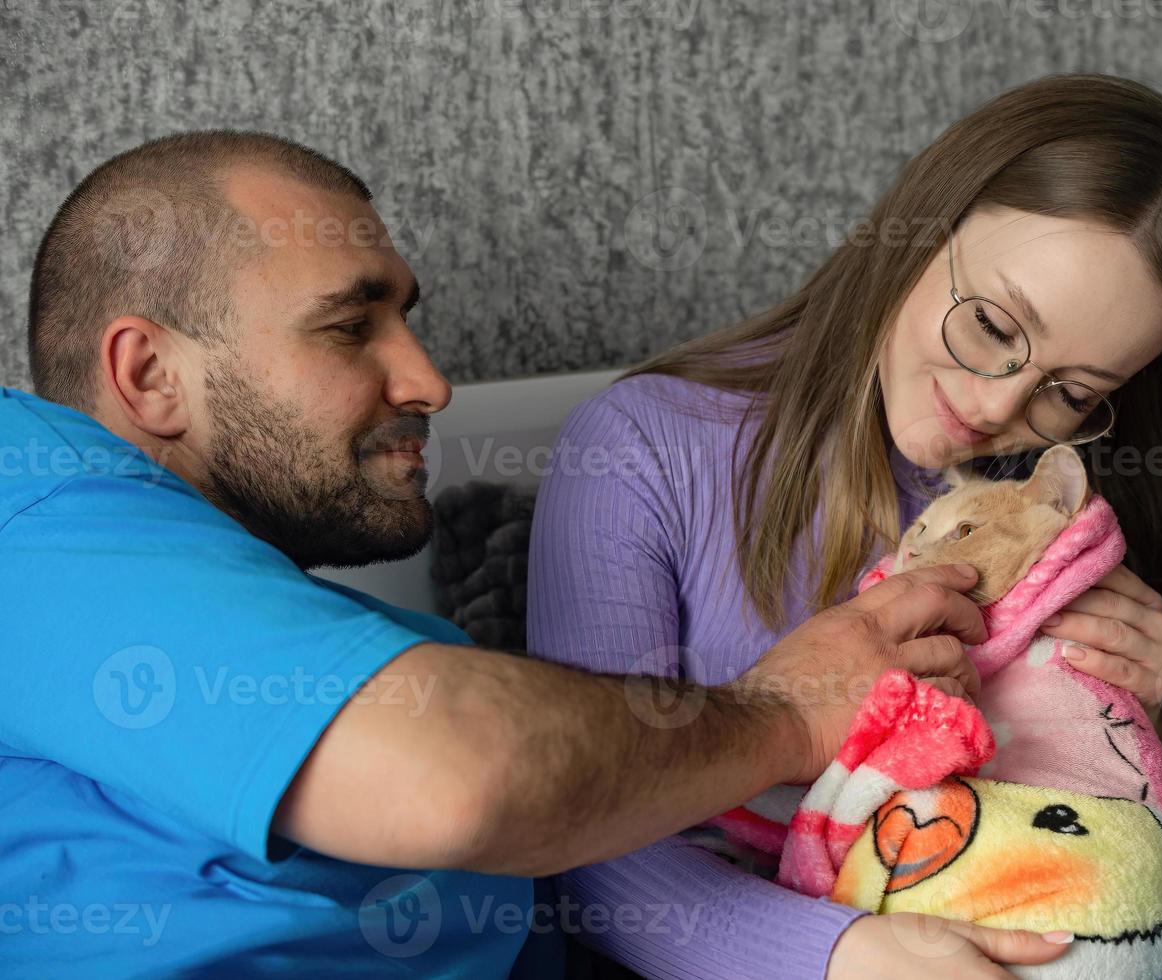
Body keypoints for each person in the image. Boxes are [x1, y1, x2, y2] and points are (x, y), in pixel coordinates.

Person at [1, 130, 1018, 977]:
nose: (430, 381)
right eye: (352, 326)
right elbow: (461, 775)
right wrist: (787, 714)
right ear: (149, 373)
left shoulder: (385, 644)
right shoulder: (32, 504)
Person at [526, 72, 1162, 979]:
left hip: (1152, 949)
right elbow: (585, 844)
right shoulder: (649, 447)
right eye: (990, 325)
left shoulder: (1090, 492)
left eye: (1070, 391)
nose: (994, 405)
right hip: (850, 952)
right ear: (922, 227)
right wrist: (839, 957)